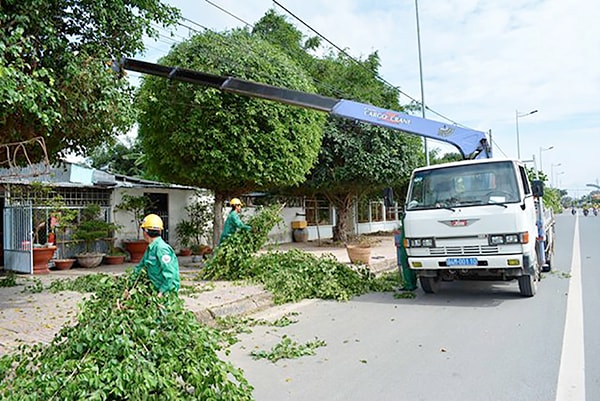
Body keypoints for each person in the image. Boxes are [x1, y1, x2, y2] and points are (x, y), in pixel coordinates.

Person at [132, 214, 180, 296]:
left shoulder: (162, 249)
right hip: (155, 289)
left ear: (145, 232)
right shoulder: (150, 248)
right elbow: (140, 267)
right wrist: (130, 280)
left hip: (166, 292)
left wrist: (162, 292)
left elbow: (170, 274)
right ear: (160, 231)